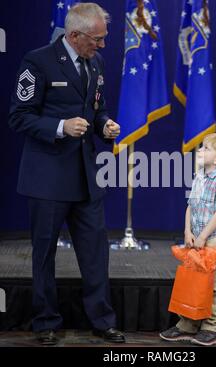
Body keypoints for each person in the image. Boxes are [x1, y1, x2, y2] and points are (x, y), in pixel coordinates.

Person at [8, 3, 125, 345]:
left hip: (86, 177)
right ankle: (45, 323)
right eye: (97, 39)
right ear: (74, 35)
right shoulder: (38, 61)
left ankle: (102, 321)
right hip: (46, 177)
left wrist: (106, 126)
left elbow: (98, 108)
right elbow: (20, 116)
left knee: (96, 253)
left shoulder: (96, 63)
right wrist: (60, 126)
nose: (102, 46)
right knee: (43, 254)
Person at [160, 133, 216, 346]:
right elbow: (190, 206)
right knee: (192, 283)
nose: (200, 151)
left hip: (214, 240)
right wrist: (188, 231)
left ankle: (212, 327)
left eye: (205, 148)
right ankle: (188, 324)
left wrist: (204, 235)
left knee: (213, 285)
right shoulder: (199, 176)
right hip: (196, 239)